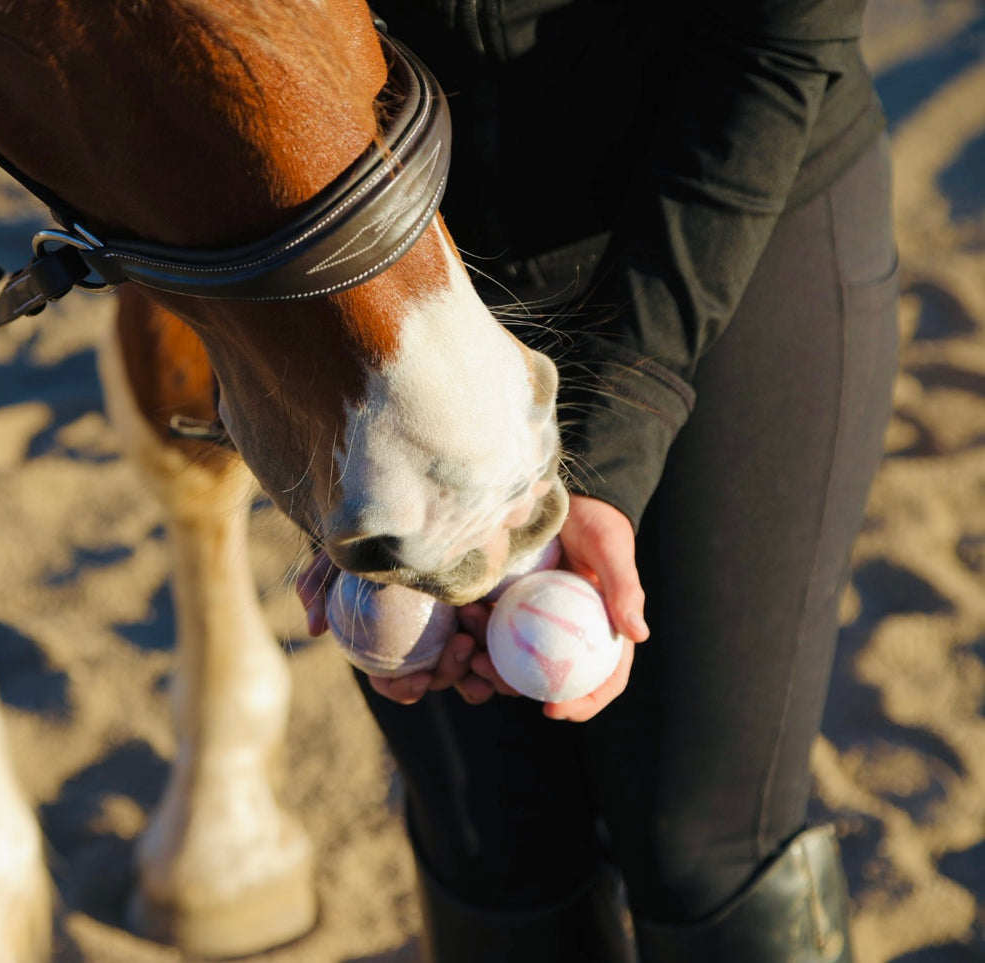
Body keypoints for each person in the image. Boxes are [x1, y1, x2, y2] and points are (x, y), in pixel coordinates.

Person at [299, 1, 901, 959]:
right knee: (492, 844)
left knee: (700, 846)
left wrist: (613, 445)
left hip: (728, 217)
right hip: (382, 281)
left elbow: (774, 47)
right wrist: (309, 410)